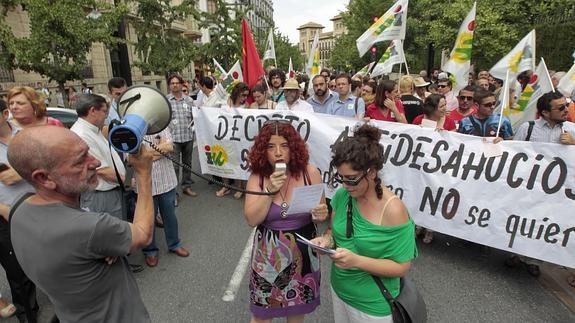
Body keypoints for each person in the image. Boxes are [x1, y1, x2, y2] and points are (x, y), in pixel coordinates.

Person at [7, 125, 155, 322]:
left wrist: (100, 246)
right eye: (80, 160)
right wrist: (143, 174)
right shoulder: (90, 228)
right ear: (44, 178)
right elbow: (142, 234)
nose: (95, 162)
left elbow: (70, 249)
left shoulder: (20, 209)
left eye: (88, 152)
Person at [311, 123, 417, 322]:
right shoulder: (344, 194)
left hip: (373, 305)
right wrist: (325, 241)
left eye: (351, 179)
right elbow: (334, 231)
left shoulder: (393, 209)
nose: (345, 185)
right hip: (340, 291)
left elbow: (401, 267)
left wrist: (356, 261)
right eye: (340, 178)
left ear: (372, 172)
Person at [244, 118, 328, 323]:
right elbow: (252, 219)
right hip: (268, 254)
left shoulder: (311, 173)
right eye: (271, 147)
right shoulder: (258, 177)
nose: (279, 153)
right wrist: (269, 191)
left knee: (296, 312)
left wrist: (320, 214)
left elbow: (322, 211)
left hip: (303, 253)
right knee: (262, 315)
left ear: (294, 148)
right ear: (263, 150)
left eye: (284, 146)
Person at [511, 91, 575, 278]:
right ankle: (516, 253)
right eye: (561, 107)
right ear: (545, 112)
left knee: (543, 224)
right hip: (529, 187)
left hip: (556, 191)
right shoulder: (528, 128)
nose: (566, 110)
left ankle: (533, 261)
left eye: (566, 106)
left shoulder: (571, 130)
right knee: (522, 220)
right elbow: (513, 152)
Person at [0, 99, 39, 322]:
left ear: (4, 114)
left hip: (36, 208)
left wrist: (22, 173)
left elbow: (46, 166)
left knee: (43, 260)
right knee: (16, 271)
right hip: (5, 216)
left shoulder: (27, 136)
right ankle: (27, 314)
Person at [137, 128, 190, 267]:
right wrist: (159, 149)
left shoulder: (161, 125)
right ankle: (150, 251)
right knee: (148, 219)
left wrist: (147, 154)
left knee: (170, 215)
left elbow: (170, 147)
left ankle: (174, 244)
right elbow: (132, 157)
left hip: (166, 181)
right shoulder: (132, 129)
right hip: (145, 185)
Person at [71, 94, 126, 220]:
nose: (106, 116)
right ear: (92, 110)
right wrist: (125, 181)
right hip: (102, 196)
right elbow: (101, 169)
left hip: (109, 193)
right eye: (104, 111)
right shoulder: (82, 135)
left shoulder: (92, 130)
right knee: (111, 235)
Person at [167, 74, 198, 198]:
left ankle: (186, 186)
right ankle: (174, 193)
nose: (174, 85)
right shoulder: (166, 101)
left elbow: (195, 118)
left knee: (187, 164)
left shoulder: (189, 100)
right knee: (174, 167)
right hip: (173, 139)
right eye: (172, 83)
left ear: (181, 84)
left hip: (188, 138)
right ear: (169, 86)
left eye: (177, 83)